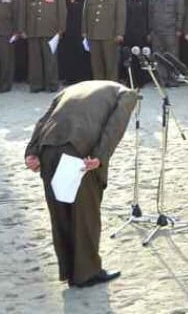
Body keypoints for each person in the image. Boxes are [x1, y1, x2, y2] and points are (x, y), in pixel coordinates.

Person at [24, 80, 138, 288]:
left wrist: (31, 152)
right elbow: (115, 128)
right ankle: (87, 273)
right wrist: (99, 157)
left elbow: (44, 120)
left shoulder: (70, 90)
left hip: (48, 147)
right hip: (80, 153)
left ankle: (69, 271)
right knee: (85, 214)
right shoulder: (126, 93)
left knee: (60, 213)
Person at [22, 0, 67, 93]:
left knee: (50, 59)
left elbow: (62, 11)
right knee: (34, 59)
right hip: (33, 29)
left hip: (51, 30)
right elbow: (23, 11)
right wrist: (23, 29)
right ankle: (36, 85)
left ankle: (51, 84)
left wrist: (61, 29)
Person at [82, 0, 125, 82]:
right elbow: (85, 13)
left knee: (111, 63)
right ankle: (99, 86)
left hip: (110, 34)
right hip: (93, 34)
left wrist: (119, 33)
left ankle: (112, 86)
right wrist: (84, 31)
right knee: (96, 64)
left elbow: (120, 15)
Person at [148, 0, 184, 87]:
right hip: (157, 31)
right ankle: (162, 79)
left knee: (172, 55)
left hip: (171, 30)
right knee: (158, 56)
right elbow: (150, 14)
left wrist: (178, 28)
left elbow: (180, 13)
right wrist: (151, 30)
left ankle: (173, 78)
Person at [58, 0, 91, 85]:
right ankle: (70, 78)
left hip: (80, 31)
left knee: (81, 54)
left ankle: (82, 77)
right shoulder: (63, 0)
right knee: (68, 55)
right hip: (66, 31)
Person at [0, 0, 23, 92]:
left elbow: (18, 14)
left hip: (6, 31)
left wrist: (17, 30)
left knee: (6, 59)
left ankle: (5, 84)